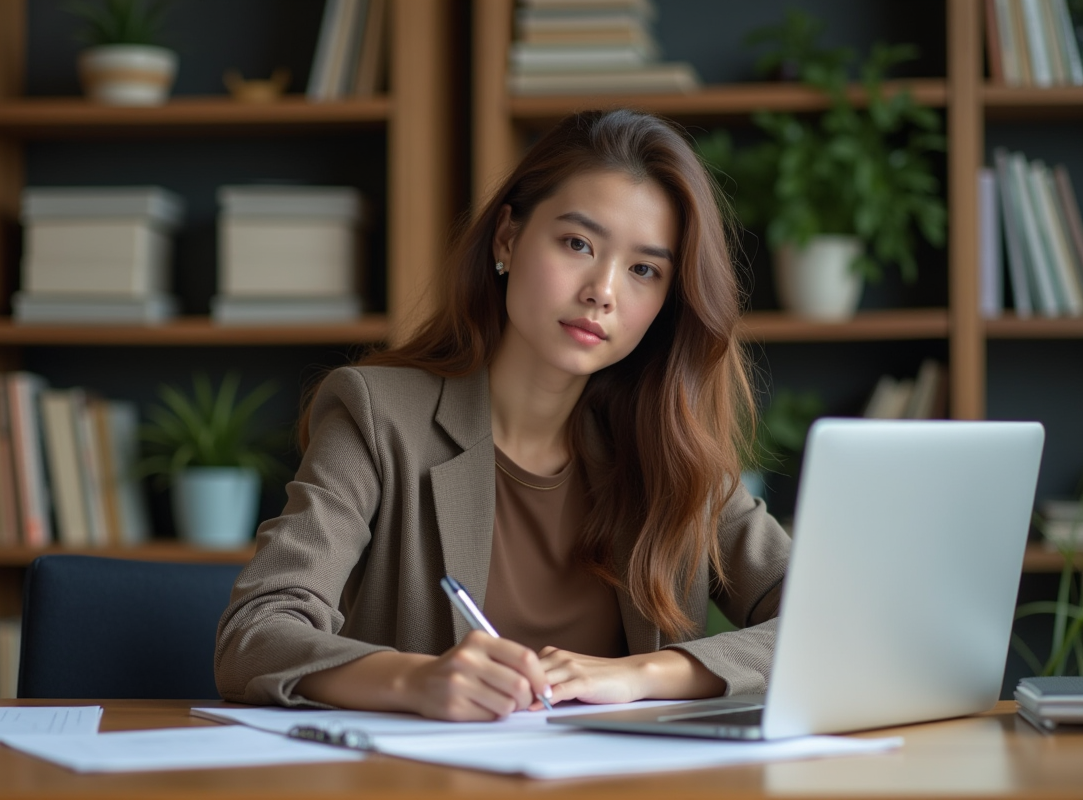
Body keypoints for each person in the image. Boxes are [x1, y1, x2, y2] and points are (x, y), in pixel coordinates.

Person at [215, 109, 790, 721]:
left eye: (644, 269)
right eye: (577, 244)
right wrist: (415, 681)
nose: (603, 290)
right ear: (508, 239)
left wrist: (643, 674)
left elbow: (834, 620)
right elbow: (255, 633)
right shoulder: (378, 416)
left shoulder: (672, 453)